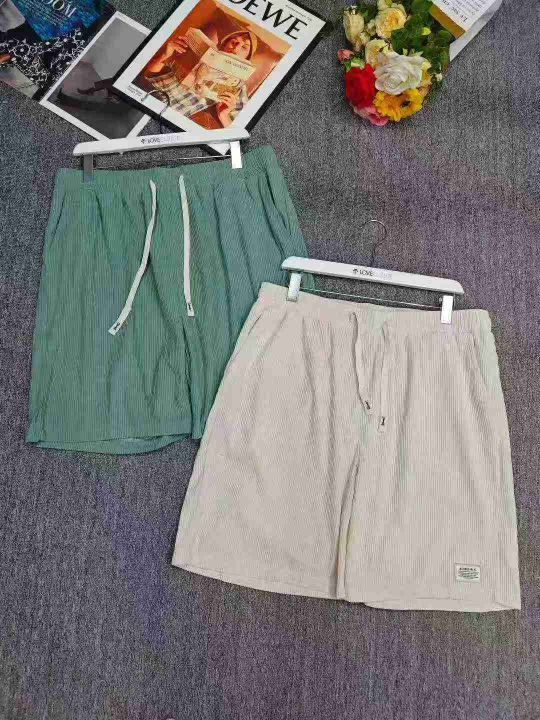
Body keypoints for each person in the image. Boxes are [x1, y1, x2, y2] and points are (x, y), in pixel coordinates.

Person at [143, 29, 257, 127]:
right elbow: (149, 74)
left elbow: (237, 131)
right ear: (225, 44)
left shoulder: (239, 86)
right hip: (149, 92)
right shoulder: (198, 52)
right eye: (233, 42)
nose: (236, 47)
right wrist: (165, 55)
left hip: (171, 114)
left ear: (247, 57)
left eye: (244, 47)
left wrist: (224, 115)